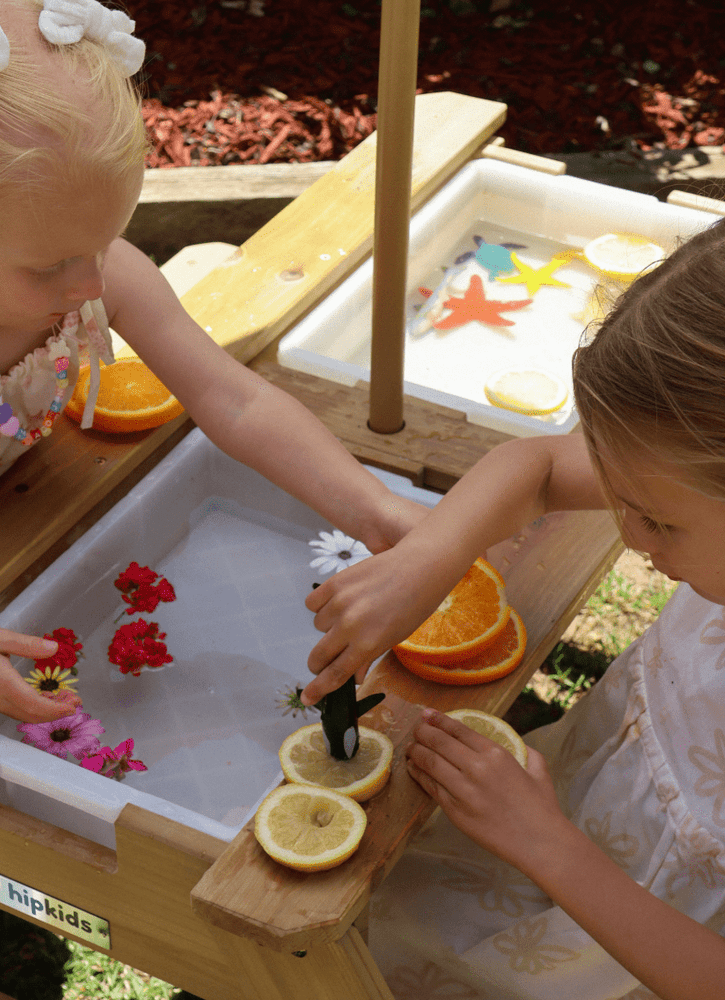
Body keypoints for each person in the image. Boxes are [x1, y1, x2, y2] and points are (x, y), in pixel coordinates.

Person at [0, 0, 426, 976]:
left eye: (104, 244)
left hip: (5, 526)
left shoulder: (80, 263)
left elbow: (231, 398)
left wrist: (379, 512)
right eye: (52, 266)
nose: (89, 283)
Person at [302, 219, 725, 999]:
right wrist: (426, 563)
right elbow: (536, 466)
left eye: (660, 523)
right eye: (622, 502)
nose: (630, 538)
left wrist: (547, 847)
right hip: (569, 817)